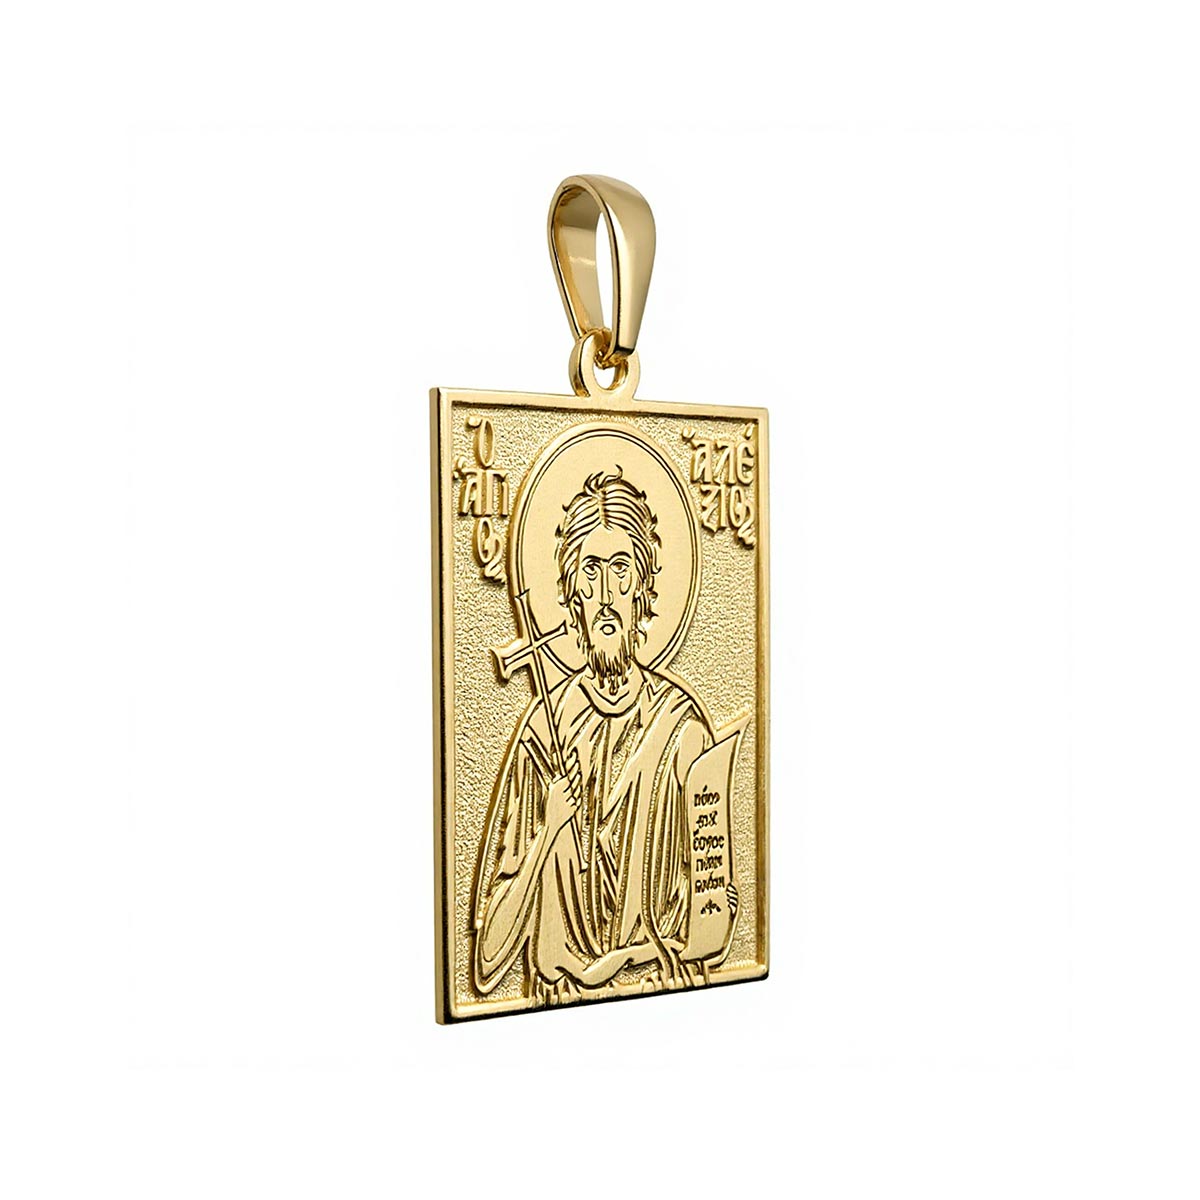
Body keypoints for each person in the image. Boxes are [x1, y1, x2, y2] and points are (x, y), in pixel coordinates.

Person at [473, 469, 736, 1003]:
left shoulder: (681, 729)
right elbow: (487, 960)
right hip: (553, 1016)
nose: (606, 596)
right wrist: (547, 829)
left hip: (668, 999)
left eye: (621, 570)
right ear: (572, 598)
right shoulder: (544, 732)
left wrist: (716, 912)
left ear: (643, 592)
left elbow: (713, 926)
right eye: (590, 571)